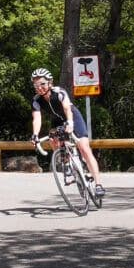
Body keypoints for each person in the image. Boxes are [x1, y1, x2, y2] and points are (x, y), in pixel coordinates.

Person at [29, 67, 105, 196]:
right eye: (36, 85)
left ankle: (98, 185)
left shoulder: (59, 92)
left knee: (84, 148)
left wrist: (70, 122)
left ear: (50, 82)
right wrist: (35, 135)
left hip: (73, 117)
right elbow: (37, 119)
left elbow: (67, 109)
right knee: (53, 139)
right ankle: (67, 163)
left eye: (42, 83)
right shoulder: (36, 100)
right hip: (57, 121)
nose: (39, 87)